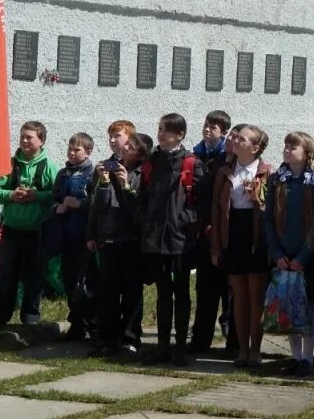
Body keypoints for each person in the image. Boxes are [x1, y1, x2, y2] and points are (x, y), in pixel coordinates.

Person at [140, 113, 206, 366]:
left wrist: (184, 220)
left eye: (166, 130)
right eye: (159, 129)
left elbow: (201, 202)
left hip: (180, 239)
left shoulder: (191, 163)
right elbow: (144, 196)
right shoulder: (152, 161)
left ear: (180, 135)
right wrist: (145, 221)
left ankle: (180, 347)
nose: (161, 134)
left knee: (182, 292)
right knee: (162, 293)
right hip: (155, 238)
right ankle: (162, 346)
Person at [265, 132, 314, 377]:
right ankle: (294, 355)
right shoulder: (276, 180)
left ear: (307, 153)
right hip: (283, 252)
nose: (288, 149)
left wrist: (303, 256)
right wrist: (277, 253)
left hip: (307, 254)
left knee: (308, 303)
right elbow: (269, 219)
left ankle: (308, 357)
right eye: (286, 145)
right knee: (287, 304)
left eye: (294, 146)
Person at [211, 124, 273, 368]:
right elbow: (217, 212)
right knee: (238, 295)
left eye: (243, 139)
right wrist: (216, 246)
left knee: (255, 296)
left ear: (255, 147)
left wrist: (260, 201)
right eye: (235, 137)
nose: (235, 141)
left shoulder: (267, 171)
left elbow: (274, 210)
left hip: (256, 234)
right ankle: (242, 349)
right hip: (233, 232)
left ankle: (256, 350)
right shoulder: (225, 171)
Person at [0, 121, 58, 328]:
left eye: (30, 137)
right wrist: (12, 195)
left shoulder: (50, 166)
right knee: (6, 275)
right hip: (13, 229)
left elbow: (57, 194)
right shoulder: (9, 165)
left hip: (37, 231)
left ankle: (31, 318)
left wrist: (36, 195)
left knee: (35, 275)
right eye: (22, 137)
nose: (25, 141)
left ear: (41, 141)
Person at [87, 129, 148, 357]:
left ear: (140, 154)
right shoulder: (107, 169)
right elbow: (97, 206)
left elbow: (136, 210)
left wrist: (124, 185)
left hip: (132, 241)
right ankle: (106, 339)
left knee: (132, 293)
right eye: (126, 145)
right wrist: (91, 234)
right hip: (109, 239)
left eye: (131, 147)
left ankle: (130, 339)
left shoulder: (142, 173)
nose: (124, 148)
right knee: (107, 293)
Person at [189, 110, 233, 354]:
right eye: (206, 125)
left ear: (223, 132)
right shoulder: (196, 155)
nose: (207, 130)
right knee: (205, 288)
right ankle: (200, 337)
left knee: (228, 287)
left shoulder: (228, 158)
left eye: (213, 127)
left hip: (223, 227)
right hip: (202, 227)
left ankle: (229, 331)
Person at [49, 133, 96, 342]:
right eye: (70, 148)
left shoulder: (92, 174)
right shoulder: (63, 174)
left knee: (84, 283)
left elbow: (96, 203)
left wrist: (79, 204)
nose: (72, 153)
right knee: (69, 281)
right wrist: (58, 207)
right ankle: (77, 323)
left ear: (88, 152)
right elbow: (54, 198)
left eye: (77, 149)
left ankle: (90, 323)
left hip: (83, 236)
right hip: (65, 235)